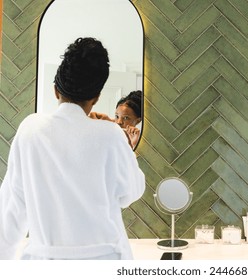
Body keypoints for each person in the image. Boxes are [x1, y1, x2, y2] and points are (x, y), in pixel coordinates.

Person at [0, 37, 145, 259]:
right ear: (96, 98)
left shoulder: (30, 130)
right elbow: (130, 194)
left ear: (56, 90)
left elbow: (12, 210)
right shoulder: (111, 135)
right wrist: (124, 147)